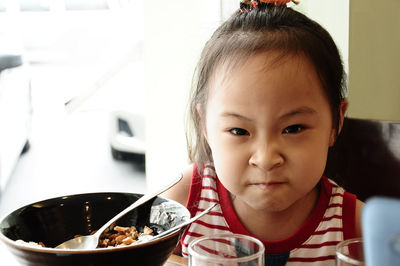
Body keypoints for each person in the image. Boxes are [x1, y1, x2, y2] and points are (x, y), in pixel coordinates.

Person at [162, 1, 364, 265]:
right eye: (239, 130)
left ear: (335, 122)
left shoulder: (356, 226)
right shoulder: (185, 202)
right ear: (205, 126)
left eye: (293, 128)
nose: (266, 158)